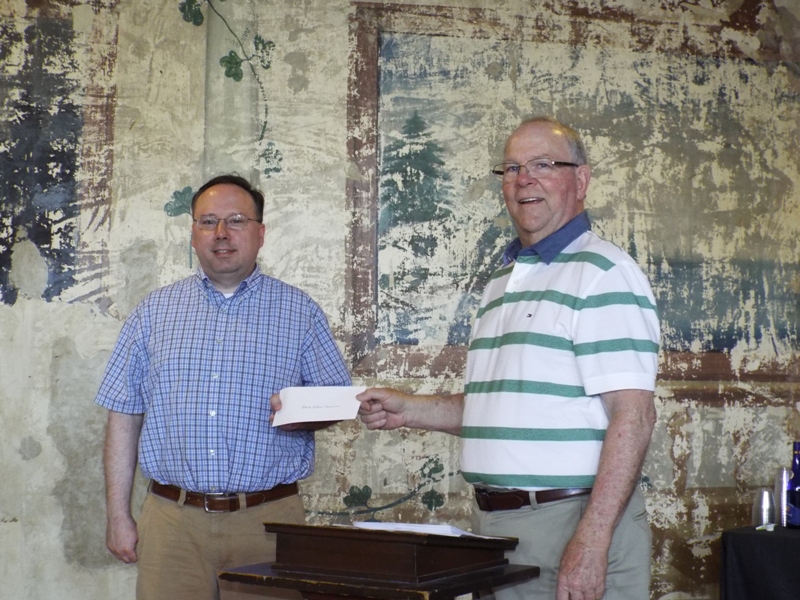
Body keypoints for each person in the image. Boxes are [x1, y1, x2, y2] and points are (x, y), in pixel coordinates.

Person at [358, 116, 660, 600]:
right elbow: (499, 408)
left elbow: (635, 416)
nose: (524, 179)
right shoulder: (502, 282)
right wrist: (408, 410)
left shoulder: (604, 273)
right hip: (495, 531)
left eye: (543, 165)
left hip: (570, 526)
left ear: (581, 179)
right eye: (512, 168)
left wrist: (592, 539)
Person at [96, 174, 351, 600]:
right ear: (193, 233)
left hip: (268, 522)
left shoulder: (300, 312)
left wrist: (302, 414)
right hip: (172, 523)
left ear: (260, 233)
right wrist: (117, 516)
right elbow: (123, 416)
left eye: (236, 220)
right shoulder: (153, 312)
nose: (221, 233)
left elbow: (339, 401)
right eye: (207, 221)